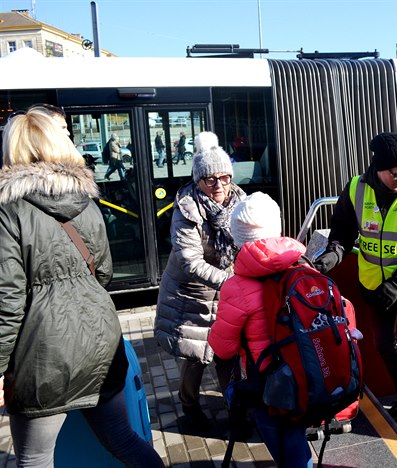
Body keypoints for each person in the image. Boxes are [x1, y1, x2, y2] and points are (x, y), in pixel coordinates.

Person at [0, 108, 164, 467]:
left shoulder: (7, 211)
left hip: (42, 357)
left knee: (35, 458)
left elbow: (8, 300)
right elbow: (102, 272)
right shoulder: (85, 202)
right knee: (123, 439)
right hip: (100, 340)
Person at [313, 132, 397, 442]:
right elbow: (341, 235)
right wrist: (329, 258)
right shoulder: (356, 189)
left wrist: (396, 284)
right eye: (396, 174)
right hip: (373, 284)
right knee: (384, 345)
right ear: (378, 169)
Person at [208, 192, 314, 468]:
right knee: (296, 433)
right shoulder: (303, 266)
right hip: (308, 373)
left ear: (238, 237)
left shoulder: (236, 286)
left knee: (280, 442)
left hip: (269, 385)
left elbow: (223, 348)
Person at [154, 131, 245, 430]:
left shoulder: (241, 202)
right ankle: (190, 408)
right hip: (190, 295)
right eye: (210, 179)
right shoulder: (186, 208)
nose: (218, 185)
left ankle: (236, 409)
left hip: (226, 292)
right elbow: (190, 261)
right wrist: (229, 280)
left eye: (224, 177)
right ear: (198, 180)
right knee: (196, 356)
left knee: (227, 355)